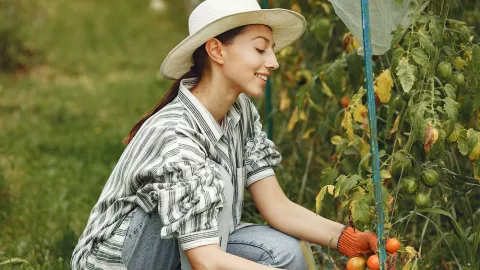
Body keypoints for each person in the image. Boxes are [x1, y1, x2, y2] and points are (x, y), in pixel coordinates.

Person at [71, 0, 379, 269]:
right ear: (217, 50)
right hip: (123, 262)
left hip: (195, 250)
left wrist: (347, 240)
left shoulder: (240, 111)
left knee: (286, 252)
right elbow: (206, 262)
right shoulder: (176, 135)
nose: (273, 61)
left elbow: (277, 207)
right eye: (260, 48)